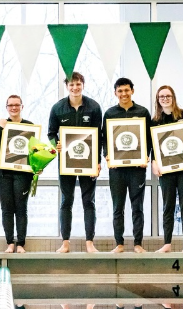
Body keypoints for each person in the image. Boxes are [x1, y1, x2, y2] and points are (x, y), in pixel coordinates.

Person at [48, 72, 103, 254]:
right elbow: (51, 134)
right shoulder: (57, 108)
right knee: (66, 201)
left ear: (83, 85)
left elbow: (99, 137)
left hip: (88, 162)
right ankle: (65, 243)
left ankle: (89, 243)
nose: (75, 87)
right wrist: (54, 145)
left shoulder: (94, 107)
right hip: (66, 162)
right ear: (67, 86)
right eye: (71, 85)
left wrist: (97, 162)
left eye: (78, 84)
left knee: (89, 201)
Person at [102, 78, 152, 254]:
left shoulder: (143, 112)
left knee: (137, 207)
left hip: (137, 168)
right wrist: (107, 156)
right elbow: (104, 139)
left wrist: (147, 156)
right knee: (118, 207)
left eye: (126, 90)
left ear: (132, 91)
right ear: (115, 93)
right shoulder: (109, 114)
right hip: (117, 169)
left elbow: (149, 138)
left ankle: (138, 243)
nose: (124, 94)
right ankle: (119, 244)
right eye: (120, 91)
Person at [151, 86, 183, 253]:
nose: (165, 98)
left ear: (173, 97)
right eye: (161, 96)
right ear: (158, 99)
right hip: (166, 171)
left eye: (168, 95)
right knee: (168, 206)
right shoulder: (155, 121)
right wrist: (154, 162)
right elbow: (153, 147)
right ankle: (167, 244)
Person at [0, 95, 34, 253]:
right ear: (6, 107)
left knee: (21, 208)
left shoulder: (30, 126)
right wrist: (0, 127)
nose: (14, 108)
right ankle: (9, 243)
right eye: (10, 105)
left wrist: (38, 166)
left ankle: (21, 244)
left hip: (22, 173)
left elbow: (34, 152)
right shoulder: (2, 124)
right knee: (7, 208)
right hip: (2, 174)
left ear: (22, 106)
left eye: (17, 105)